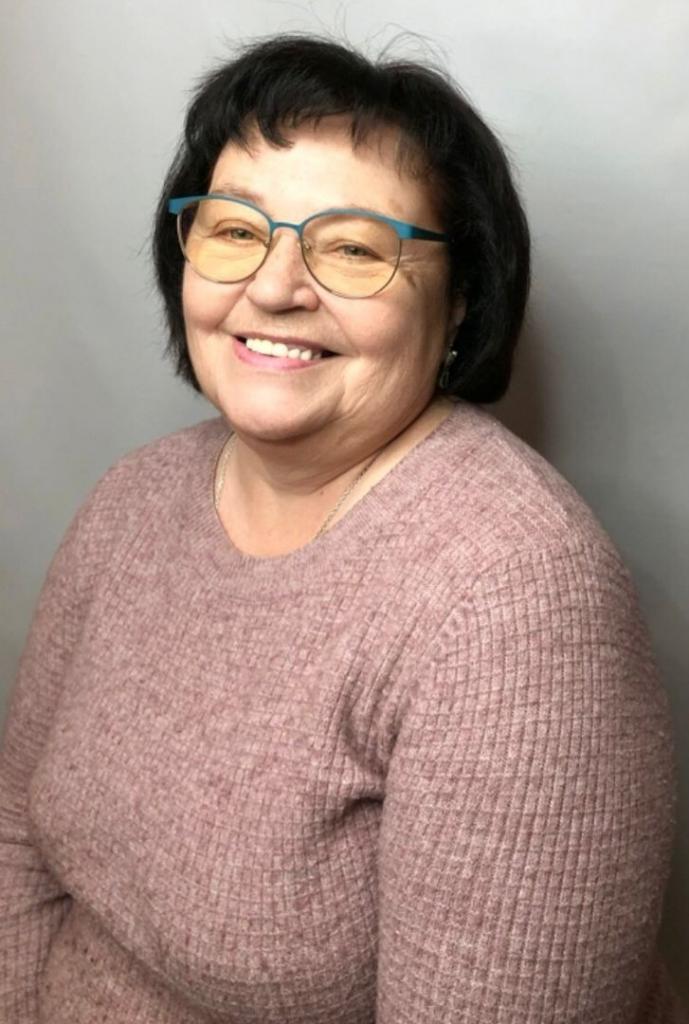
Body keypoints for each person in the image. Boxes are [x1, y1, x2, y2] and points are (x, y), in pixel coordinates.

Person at [0, 32, 685, 1024]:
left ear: (459, 302)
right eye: (235, 230)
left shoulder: (518, 605)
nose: (274, 287)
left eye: (353, 248)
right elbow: (15, 838)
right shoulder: (131, 500)